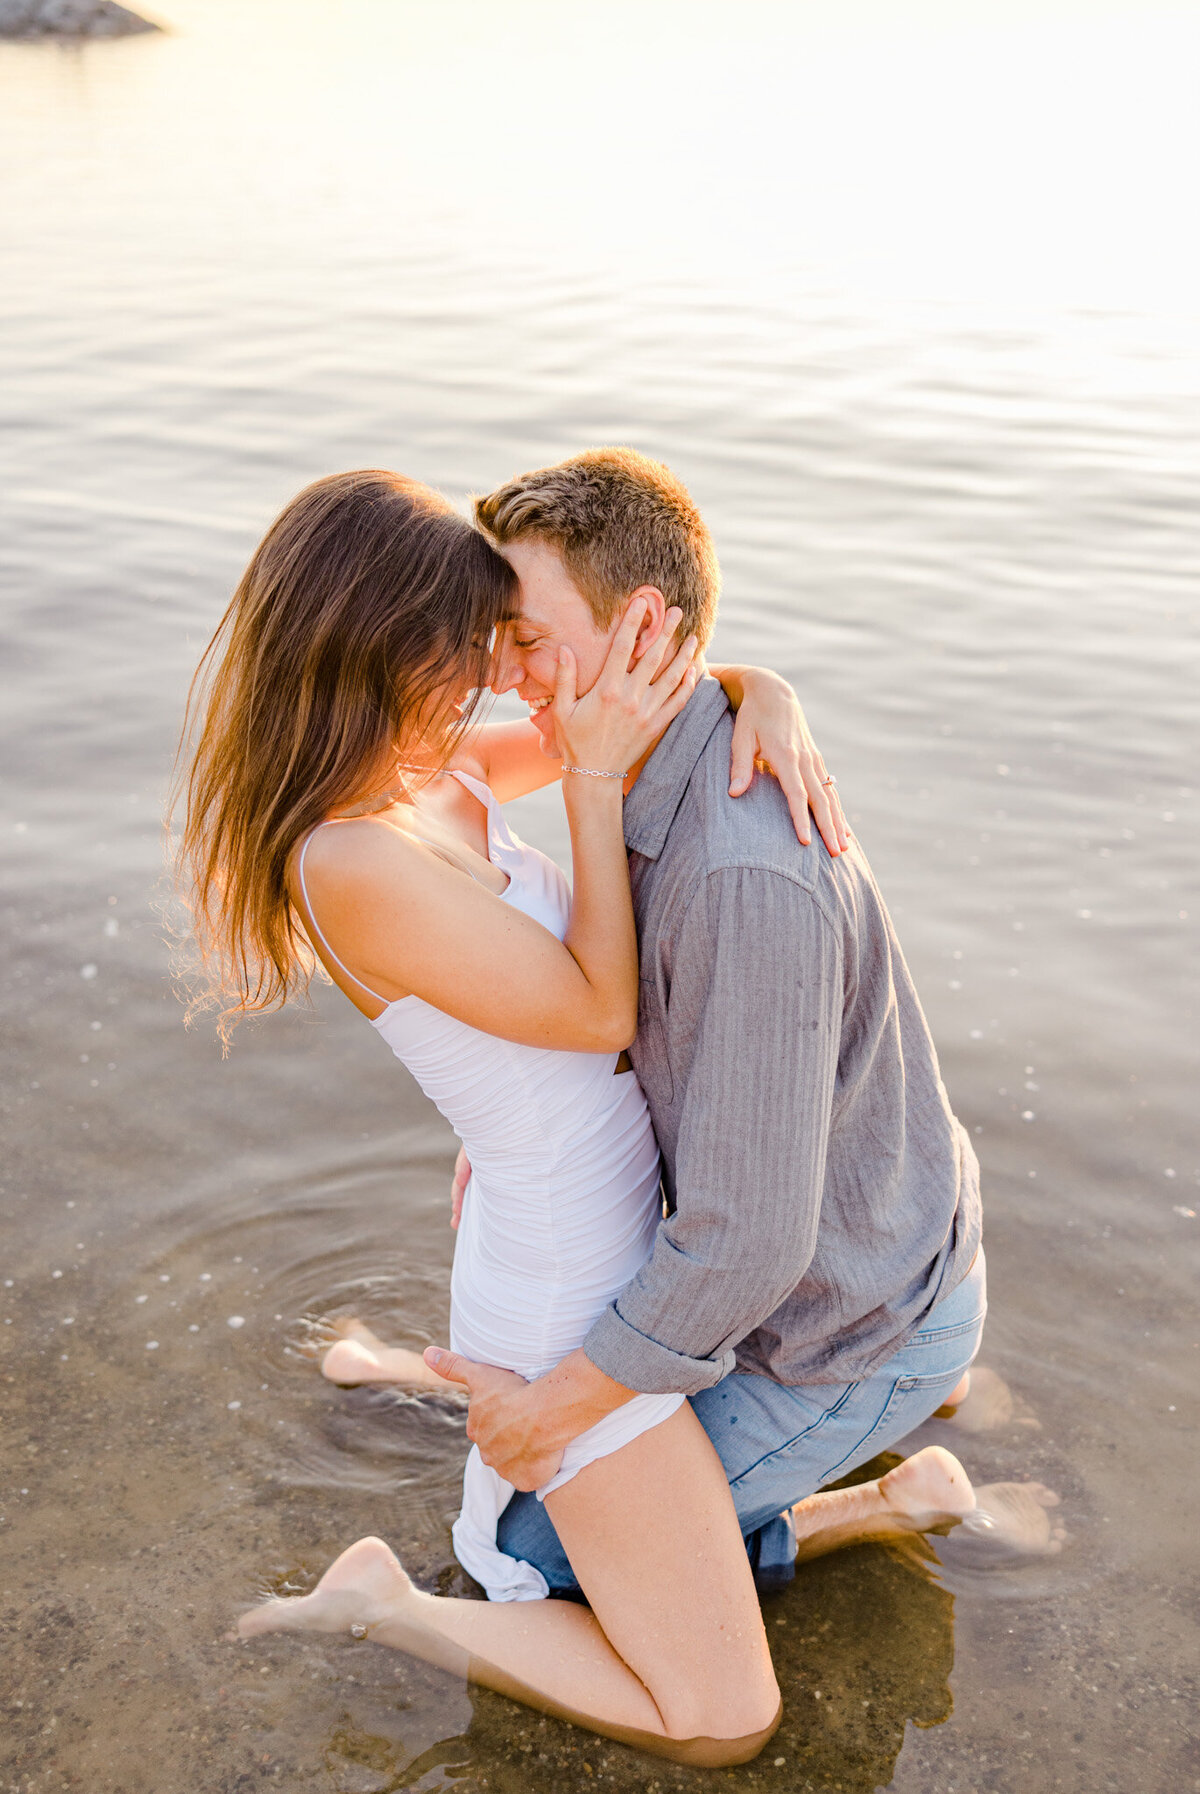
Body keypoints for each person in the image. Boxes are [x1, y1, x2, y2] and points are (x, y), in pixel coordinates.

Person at [176, 467, 899, 1767]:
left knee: (634, 1541)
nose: (488, 684)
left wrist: (757, 689)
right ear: (366, 649)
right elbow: (592, 1010)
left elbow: (618, 709)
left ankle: (859, 1500)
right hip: (570, 1276)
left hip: (601, 1222)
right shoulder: (344, 859)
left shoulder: (426, 774)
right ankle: (382, 1606)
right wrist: (593, 791)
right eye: (457, 655)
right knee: (726, 1718)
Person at [401, 448, 1064, 1596]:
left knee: (531, 1559)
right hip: (870, 1230)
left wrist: (552, 1412)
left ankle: (874, 1489)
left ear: (647, 632)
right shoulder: (653, 752)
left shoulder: (739, 880)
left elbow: (746, 1244)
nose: (505, 676)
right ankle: (923, 1395)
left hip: (837, 1331)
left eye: (526, 637)